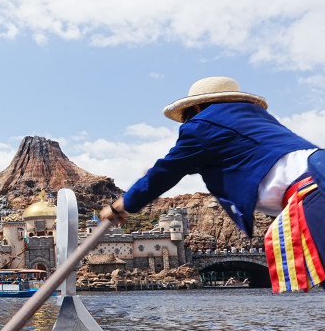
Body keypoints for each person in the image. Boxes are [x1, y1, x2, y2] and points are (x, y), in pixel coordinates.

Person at [99, 76, 324, 293]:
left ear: (196, 107)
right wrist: (177, 165)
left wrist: (121, 205)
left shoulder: (201, 125)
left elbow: (166, 173)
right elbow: (229, 157)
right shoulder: (255, 120)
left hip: (313, 191)